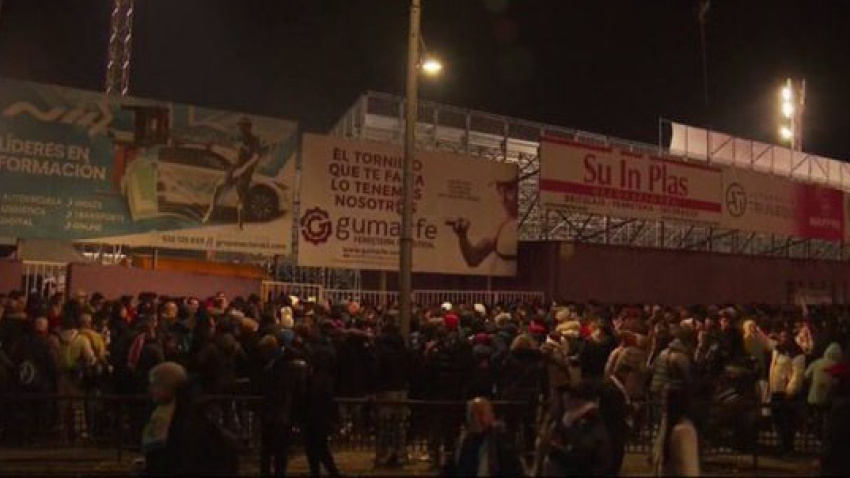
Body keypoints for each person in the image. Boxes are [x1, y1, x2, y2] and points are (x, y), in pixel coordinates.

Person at [142, 361, 238, 476]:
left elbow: (174, 455)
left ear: (166, 386)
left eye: (153, 384)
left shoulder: (175, 418)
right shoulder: (184, 411)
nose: (149, 390)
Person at [449, 170, 518, 272]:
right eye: (499, 189)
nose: (503, 199)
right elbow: (473, 259)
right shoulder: (500, 226)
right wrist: (462, 236)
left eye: (509, 189)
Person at [260, 334, 308, 478]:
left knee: (272, 449)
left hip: (277, 413)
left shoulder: (276, 367)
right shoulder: (282, 365)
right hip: (279, 413)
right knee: (277, 450)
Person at [203, 116, 263, 229]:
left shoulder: (254, 140)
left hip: (245, 172)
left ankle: (240, 225)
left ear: (248, 127)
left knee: (240, 197)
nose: (241, 129)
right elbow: (231, 151)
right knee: (218, 187)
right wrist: (214, 149)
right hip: (234, 168)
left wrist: (243, 169)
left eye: (243, 126)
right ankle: (210, 212)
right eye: (240, 126)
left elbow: (256, 157)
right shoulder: (239, 138)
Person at [542, 382, 613, 476]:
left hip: (591, 469)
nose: (564, 405)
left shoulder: (590, 420)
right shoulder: (572, 419)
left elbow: (585, 454)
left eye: (566, 400)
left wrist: (557, 452)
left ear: (576, 400)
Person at [443, 397, 523, 478]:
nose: (476, 419)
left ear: (491, 417)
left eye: (481, 414)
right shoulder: (462, 443)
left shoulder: (502, 443)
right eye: (472, 415)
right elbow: (449, 470)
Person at [769, 328, 806, 455]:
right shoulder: (778, 350)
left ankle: (787, 447)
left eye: (786, 337)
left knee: (787, 421)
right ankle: (781, 445)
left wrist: (791, 390)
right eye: (782, 336)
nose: (783, 339)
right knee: (777, 420)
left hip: (787, 393)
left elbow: (797, 374)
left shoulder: (797, 353)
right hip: (776, 389)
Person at [653, 388, 700, 477]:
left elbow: (689, 469)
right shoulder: (669, 426)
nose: (662, 404)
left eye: (665, 400)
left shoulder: (684, 430)